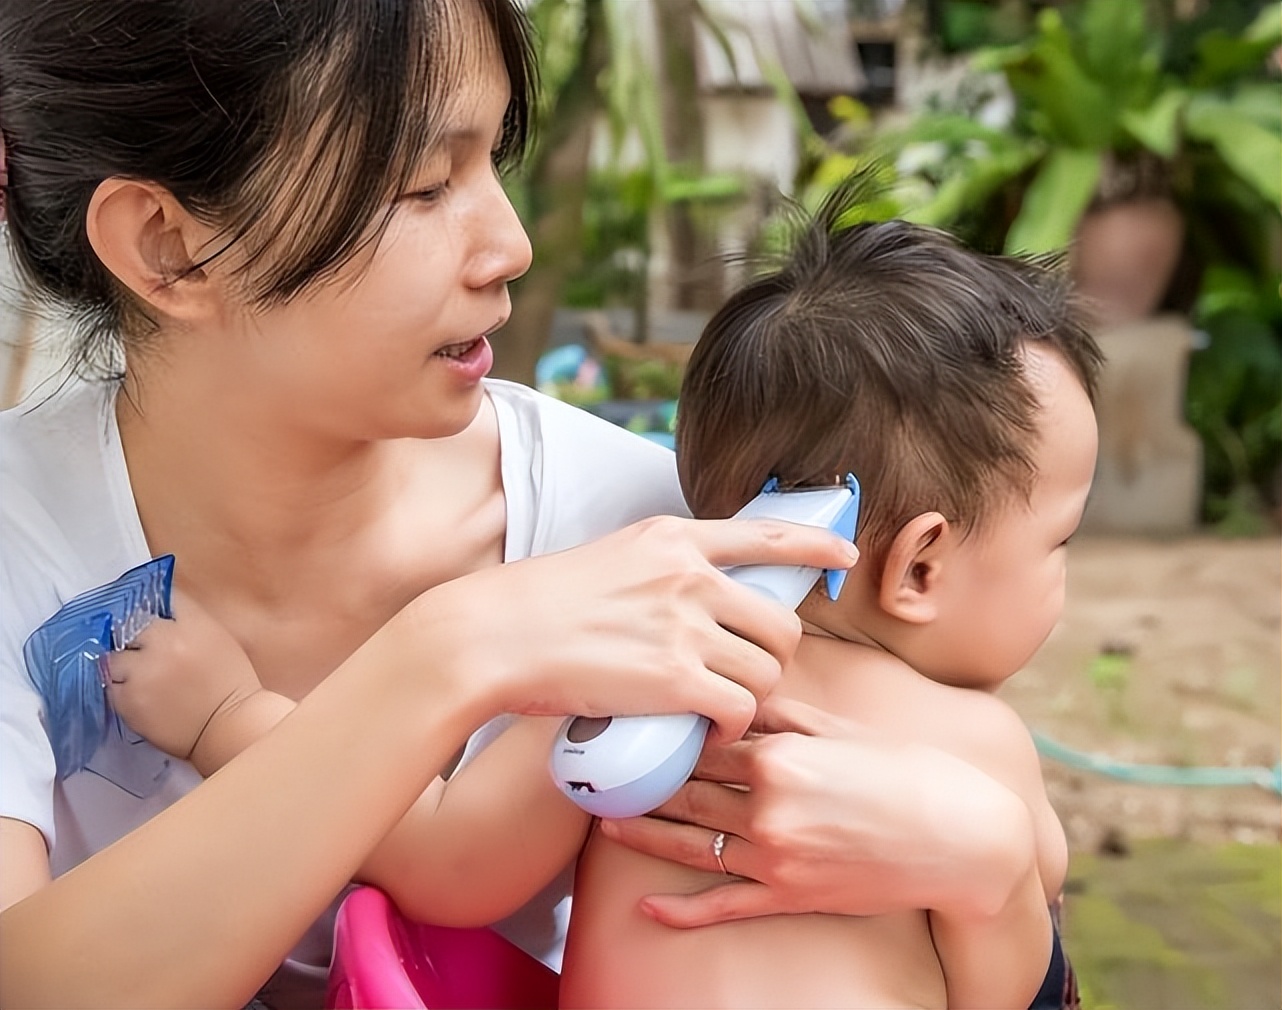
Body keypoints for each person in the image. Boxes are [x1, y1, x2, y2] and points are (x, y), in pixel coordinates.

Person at [0, 3, 1056, 1007]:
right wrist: (446, 651)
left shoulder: (656, 534)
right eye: (421, 185)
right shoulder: (21, 529)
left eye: (493, 161)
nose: (509, 244)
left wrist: (997, 874)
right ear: (168, 244)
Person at [559, 186, 1101, 1009]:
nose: (1063, 572)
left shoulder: (628, 698)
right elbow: (1012, 988)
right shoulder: (979, 743)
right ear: (920, 568)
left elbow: (460, 874)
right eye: (1057, 542)